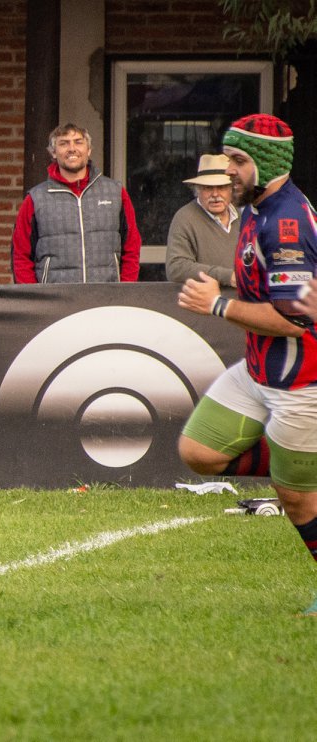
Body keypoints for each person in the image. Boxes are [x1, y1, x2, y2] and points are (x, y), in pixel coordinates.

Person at [179, 114, 317, 617]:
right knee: (199, 450)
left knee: (297, 499)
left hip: (300, 379)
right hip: (258, 369)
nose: (227, 172)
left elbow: (296, 319)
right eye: (226, 158)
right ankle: (300, 462)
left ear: (270, 164)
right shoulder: (258, 209)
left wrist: (217, 304)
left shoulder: (284, 223)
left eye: (238, 161)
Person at [11, 124, 142, 284]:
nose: (72, 148)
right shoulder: (36, 198)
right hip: (54, 301)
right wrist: (34, 299)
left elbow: (131, 247)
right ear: (53, 152)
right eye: (63, 143)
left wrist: (125, 290)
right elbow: (20, 255)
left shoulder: (115, 192)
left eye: (78, 142)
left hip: (107, 297)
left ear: (89, 150)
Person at [164, 154, 238, 286]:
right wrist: (227, 276)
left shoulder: (246, 215)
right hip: (203, 303)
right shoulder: (185, 218)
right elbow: (176, 268)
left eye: (221, 187)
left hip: (244, 302)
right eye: (208, 188)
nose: (215, 194)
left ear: (231, 189)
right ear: (197, 190)